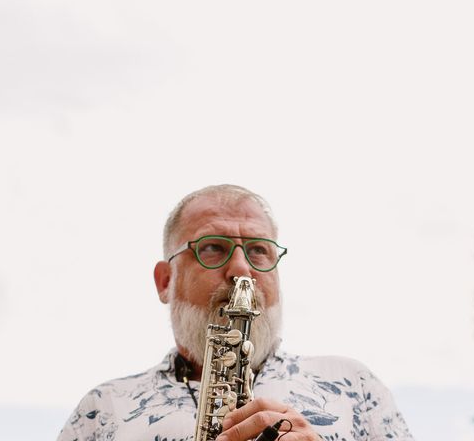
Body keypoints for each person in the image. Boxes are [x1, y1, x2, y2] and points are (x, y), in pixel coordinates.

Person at [58, 185, 414, 441]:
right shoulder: (104, 407)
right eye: (213, 248)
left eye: (259, 250)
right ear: (165, 281)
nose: (241, 269)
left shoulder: (353, 383)